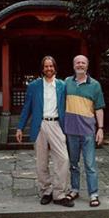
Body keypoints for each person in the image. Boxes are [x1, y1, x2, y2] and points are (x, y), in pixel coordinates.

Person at [16, 56, 74, 207]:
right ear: (42, 69)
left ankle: (59, 193)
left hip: (56, 124)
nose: (49, 69)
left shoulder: (62, 85)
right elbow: (27, 108)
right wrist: (20, 127)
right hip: (40, 124)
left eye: (51, 66)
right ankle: (46, 191)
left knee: (63, 159)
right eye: (46, 66)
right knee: (41, 162)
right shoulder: (34, 86)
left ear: (55, 68)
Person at [64, 55, 105, 207]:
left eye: (83, 63)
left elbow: (99, 108)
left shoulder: (95, 85)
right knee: (73, 163)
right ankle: (74, 190)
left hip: (88, 131)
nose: (80, 65)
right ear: (73, 65)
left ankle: (93, 194)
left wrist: (100, 129)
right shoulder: (66, 82)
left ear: (87, 66)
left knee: (90, 165)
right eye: (77, 62)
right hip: (71, 131)